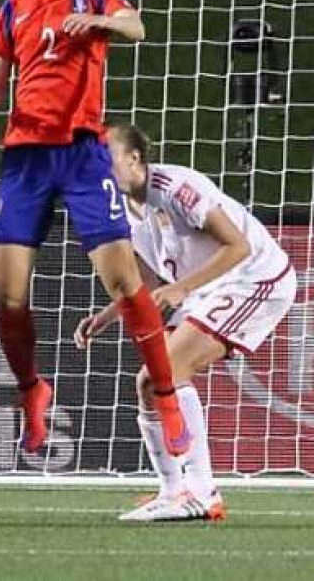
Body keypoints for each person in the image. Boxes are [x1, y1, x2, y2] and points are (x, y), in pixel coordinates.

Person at [0, 0, 189, 458]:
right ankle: (32, 389)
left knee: (124, 284)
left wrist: (100, 23)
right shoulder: (15, 4)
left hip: (82, 155)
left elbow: (136, 26)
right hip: (25, 160)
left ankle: (169, 397)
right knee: (8, 296)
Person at [78, 124, 296, 522]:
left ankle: (203, 491)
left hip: (255, 276)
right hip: (208, 287)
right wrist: (107, 316)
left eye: (106, 160)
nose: (99, 170)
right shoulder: (126, 208)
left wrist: (180, 290)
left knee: (172, 370)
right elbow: (144, 279)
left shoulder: (177, 187)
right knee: (148, 382)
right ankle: (173, 490)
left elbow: (238, 246)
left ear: (134, 159)